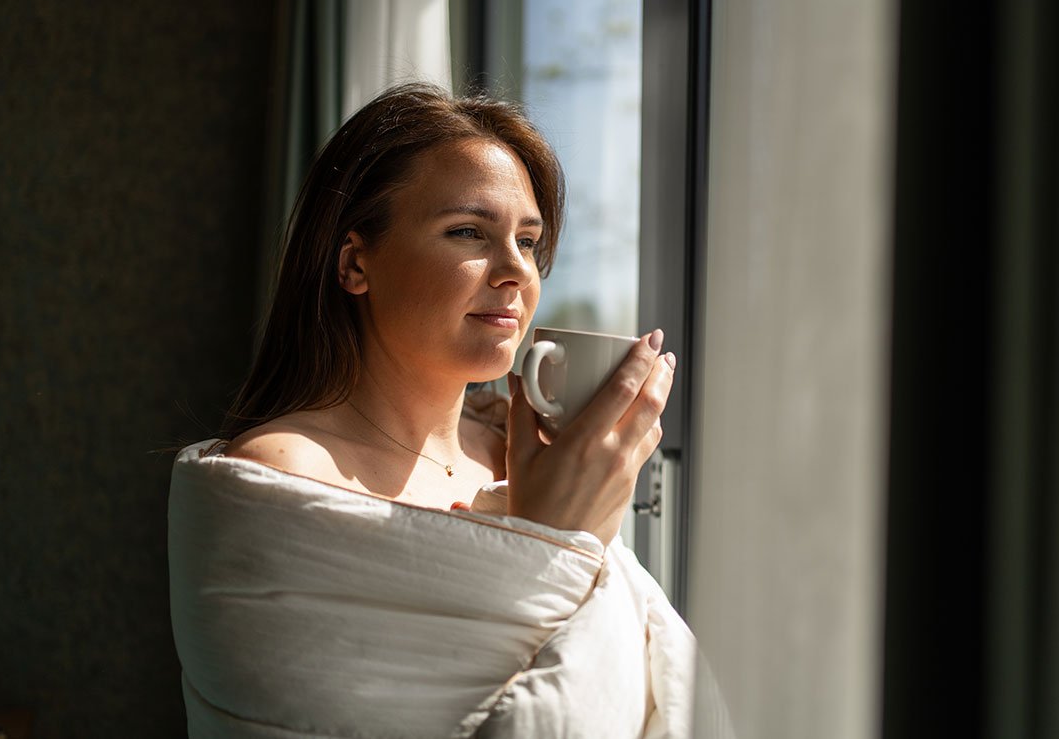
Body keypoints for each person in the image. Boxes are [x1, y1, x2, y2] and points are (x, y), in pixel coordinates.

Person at [168, 83, 717, 738]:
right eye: (468, 232)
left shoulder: (522, 452)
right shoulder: (285, 469)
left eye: (528, 240)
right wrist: (553, 544)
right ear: (354, 262)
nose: (517, 271)